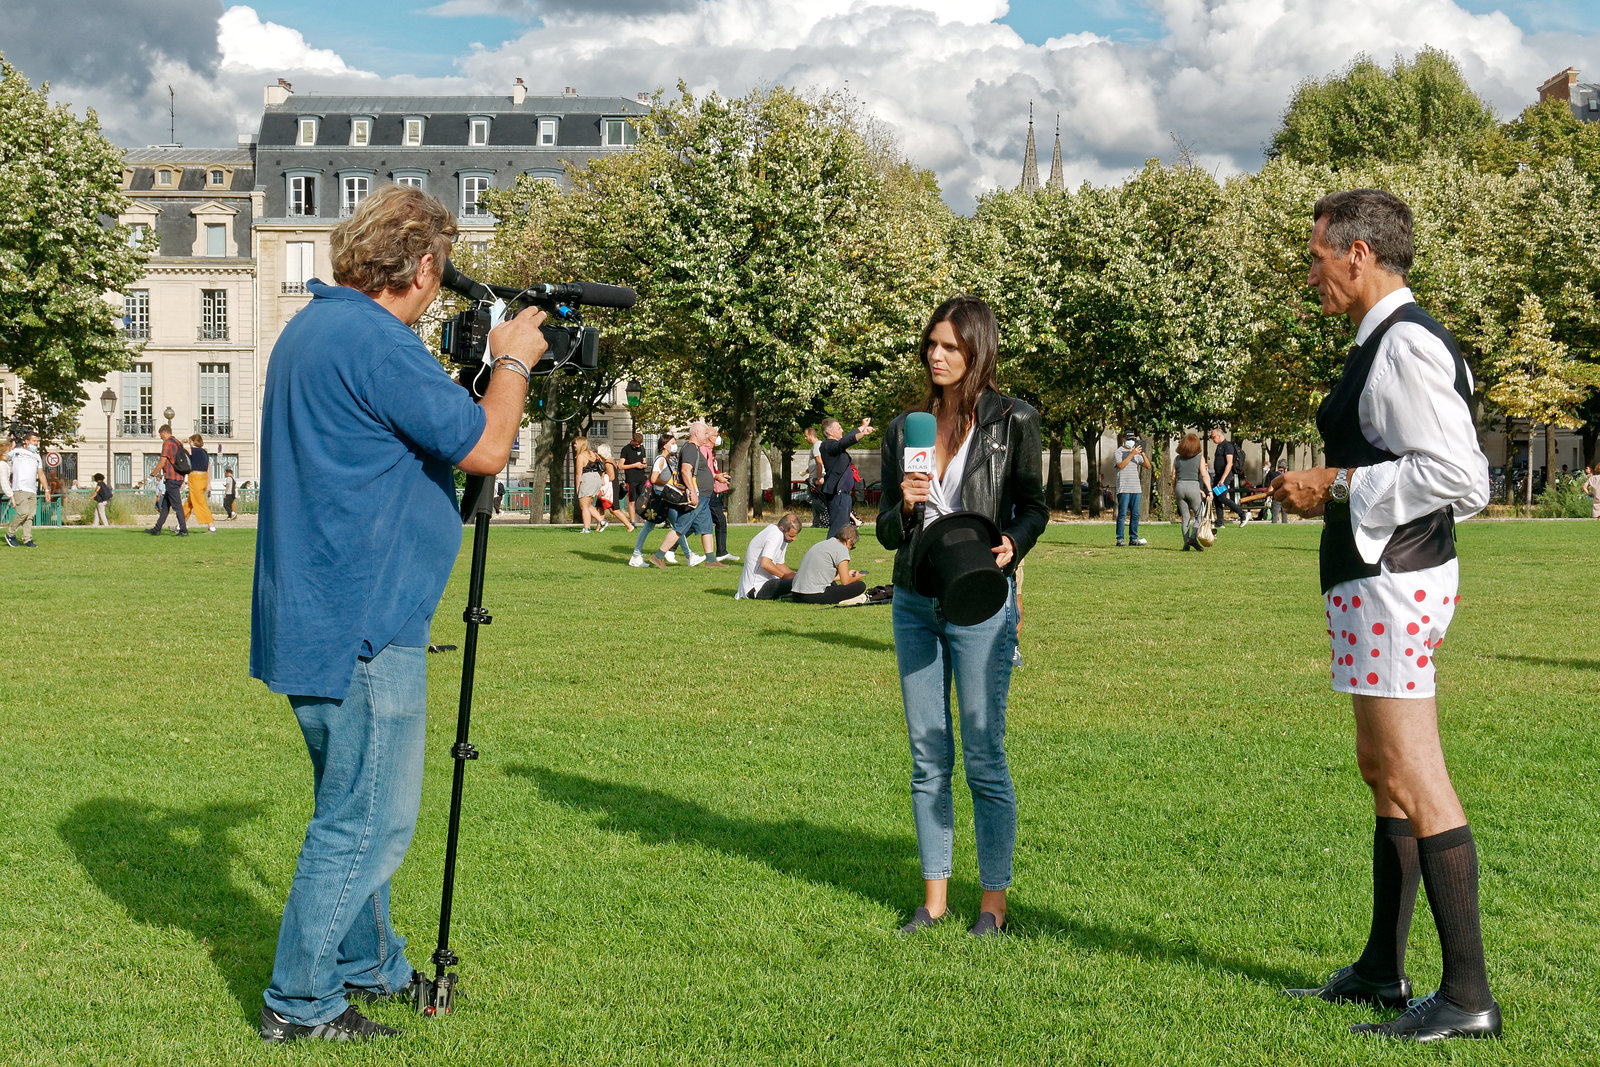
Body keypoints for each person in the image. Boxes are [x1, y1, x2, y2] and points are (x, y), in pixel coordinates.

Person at [251, 184, 547, 1044]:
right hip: (365, 623)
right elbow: (488, 444)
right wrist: (515, 359)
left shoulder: (314, 328)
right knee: (366, 820)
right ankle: (299, 1002)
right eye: (440, 269)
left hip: (314, 615)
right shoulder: (376, 343)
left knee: (350, 799)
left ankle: (370, 963)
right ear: (422, 266)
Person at [1273, 189, 1498, 1043]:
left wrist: (1335, 484)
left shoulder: (1403, 343)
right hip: (1379, 583)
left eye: (1317, 257)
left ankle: (1468, 994)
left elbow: (1462, 476)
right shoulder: (1389, 340)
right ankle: (1380, 969)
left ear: (1358, 253)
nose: (1311, 275)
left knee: (1414, 774)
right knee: (1382, 767)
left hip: (1393, 584)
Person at [876, 294, 1049, 937]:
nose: (937, 355)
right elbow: (889, 535)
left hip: (979, 600)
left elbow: (1033, 507)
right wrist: (902, 502)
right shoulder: (907, 429)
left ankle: (994, 903)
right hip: (916, 601)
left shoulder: (1015, 422)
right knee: (927, 753)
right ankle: (934, 898)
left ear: (977, 350)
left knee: (982, 752)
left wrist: (1015, 543)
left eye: (950, 345)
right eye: (931, 345)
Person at [664, 421, 726, 568]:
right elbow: (686, 471)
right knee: (681, 527)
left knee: (706, 528)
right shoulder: (691, 449)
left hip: (704, 495)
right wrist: (693, 492)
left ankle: (711, 560)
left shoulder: (694, 448)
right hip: (698, 495)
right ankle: (659, 555)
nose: (707, 436)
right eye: (705, 433)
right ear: (696, 433)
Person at [632, 434, 683, 567]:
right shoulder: (660, 459)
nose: (675, 445)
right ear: (665, 445)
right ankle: (688, 555)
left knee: (675, 526)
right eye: (672, 442)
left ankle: (637, 555)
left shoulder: (669, 460)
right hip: (661, 497)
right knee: (679, 526)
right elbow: (654, 479)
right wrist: (668, 483)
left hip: (664, 496)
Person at [820, 416, 874, 538]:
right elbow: (844, 442)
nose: (842, 430)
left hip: (844, 495)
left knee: (843, 529)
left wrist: (863, 426)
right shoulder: (827, 445)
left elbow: (845, 439)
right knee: (837, 530)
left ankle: (839, 551)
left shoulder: (834, 444)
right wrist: (862, 434)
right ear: (830, 432)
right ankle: (831, 552)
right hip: (838, 495)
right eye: (839, 428)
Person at [790, 523, 867, 604]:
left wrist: (844, 575)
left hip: (796, 594)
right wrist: (857, 577)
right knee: (860, 585)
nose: (850, 548)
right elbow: (846, 581)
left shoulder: (822, 544)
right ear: (849, 541)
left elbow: (822, 574)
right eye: (852, 545)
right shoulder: (842, 549)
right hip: (812, 595)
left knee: (833, 584)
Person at [736, 513, 801, 599]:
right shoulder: (776, 535)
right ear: (782, 528)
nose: (794, 539)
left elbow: (779, 564)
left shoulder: (781, 534)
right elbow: (765, 563)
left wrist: (797, 576)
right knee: (799, 584)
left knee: (800, 581)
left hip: (765, 583)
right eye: (791, 536)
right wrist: (785, 577)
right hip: (756, 588)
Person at [5, 430, 50, 548]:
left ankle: (27, 539)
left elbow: (40, 474)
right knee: (23, 513)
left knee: (30, 515)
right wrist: (12, 441)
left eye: (37, 441)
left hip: (32, 490)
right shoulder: (17, 452)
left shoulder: (37, 457)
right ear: (26, 441)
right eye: (33, 441)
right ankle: (10, 533)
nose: (36, 443)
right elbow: (5, 453)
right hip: (20, 488)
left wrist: (46, 490)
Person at [147, 425, 189, 537]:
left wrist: (151, 475)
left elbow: (162, 462)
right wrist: (183, 480)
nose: (161, 438)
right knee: (165, 506)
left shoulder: (167, 443)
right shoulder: (178, 443)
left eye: (161, 435)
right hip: (178, 477)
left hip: (171, 478)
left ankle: (183, 530)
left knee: (177, 506)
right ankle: (157, 529)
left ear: (164, 432)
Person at [1171, 432, 1211, 551]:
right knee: (1199, 514)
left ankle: (1186, 544)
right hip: (1193, 486)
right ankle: (1193, 537)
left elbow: (1173, 476)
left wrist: (1174, 490)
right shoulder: (1199, 458)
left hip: (1180, 487)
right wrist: (1209, 490)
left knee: (1185, 517)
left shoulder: (1177, 458)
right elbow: (1204, 475)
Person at [705, 424, 737, 561]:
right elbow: (704, 471)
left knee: (702, 522)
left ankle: (721, 552)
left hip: (709, 490)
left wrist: (718, 474)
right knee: (719, 520)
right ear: (708, 437)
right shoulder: (704, 450)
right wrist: (716, 476)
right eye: (716, 435)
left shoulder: (710, 451)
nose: (718, 438)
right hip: (707, 491)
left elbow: (709, 471)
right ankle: (670, 548)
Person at [1210, 428, 1250, 529]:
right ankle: (1219, 522)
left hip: (1225, 476)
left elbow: (1229, 463)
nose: (1212, 439)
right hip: (1218, 476)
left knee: (1222, 497)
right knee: (1216, 498)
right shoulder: (1219, 446)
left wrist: (1223, 479)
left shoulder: (1227, 446)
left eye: (1213, 437)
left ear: (1219, 436)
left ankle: (1242, 514)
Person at [1113, 432, 1148, 546]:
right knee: (1122, 514)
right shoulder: (1118, 452)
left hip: (1136, 488)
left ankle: (1133, 538)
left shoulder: (1136, 453)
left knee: (1136, 514)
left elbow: (1148, 466)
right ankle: (1120, 539)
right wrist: (1132, 454)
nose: (1131, 441)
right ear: (1123, 439)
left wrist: (1142, 454)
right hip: (1124, 488)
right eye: (1129, 439)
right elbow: (1121, 466)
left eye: (1133, 439)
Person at [593, 444, 635, 532]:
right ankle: (599, 526)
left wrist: (603, 476)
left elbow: (611, 477)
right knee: (599, 506)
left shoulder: (608, 463)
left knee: (614, 509)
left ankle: (629, 526)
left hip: (610, 488)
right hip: (611, 487)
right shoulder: (611, 460)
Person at [182, 434, 217, 533]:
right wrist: (208, 483)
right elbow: (208, 469)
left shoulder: (192, 450)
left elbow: (179, 450)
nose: (189, 443)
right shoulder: (204, 453)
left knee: (200, 502)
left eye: (190, 441)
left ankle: (212, 526)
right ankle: (180, 525)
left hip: (195, 477)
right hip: (203, 478)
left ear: (193, 441)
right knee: (190, 502)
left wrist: (182, 442)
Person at [575, 436, 605, 532]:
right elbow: (603, 466)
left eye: (575, 443)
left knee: (583, 506)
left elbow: (578, 474)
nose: (574, 445)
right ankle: (602, 521)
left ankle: (586, 528)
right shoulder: (594, 454)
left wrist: (577, 487)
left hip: (587, 478)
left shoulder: (581, 456)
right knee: (588, 504)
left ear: (580, 444)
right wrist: (602, 478)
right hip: (596, 478)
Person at [621, 431, 649, 524]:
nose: (638, 446)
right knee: (632, 501)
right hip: (631, 479)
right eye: (637, 444)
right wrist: (634, 465)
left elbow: (645, 462)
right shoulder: (625, 449)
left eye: (639, 444)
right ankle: (633, 522)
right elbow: (620, 466)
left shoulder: (642, 448)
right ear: (632, 440)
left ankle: (646, 520)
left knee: (643, 500)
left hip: (641, 478)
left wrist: (643, 465)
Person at [804, 426, 828, 528]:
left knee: (810, 498)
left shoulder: (817, 446)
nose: (805, 438)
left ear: (811, 435)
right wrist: (807, 470)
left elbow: (819, 462)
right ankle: (816, 522)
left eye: (806, 436)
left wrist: (818, 478)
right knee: (815, 499)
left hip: (816, 478)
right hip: (813, 476)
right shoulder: (817, 445)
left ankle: (827, 513)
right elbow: (815, 463)